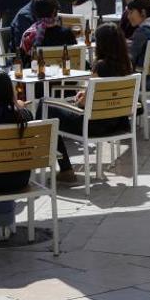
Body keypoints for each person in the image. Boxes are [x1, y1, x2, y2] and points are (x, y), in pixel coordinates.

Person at [42, 23, 133, 183]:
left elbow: (85, 104)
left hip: (94, 125)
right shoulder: (127, 65)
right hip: (117, 124)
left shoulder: (101, 66)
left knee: (45, 106)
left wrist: (78, 101)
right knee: (52, 109)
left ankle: (65, 169)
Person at [0, 72, 34, 240]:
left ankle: (3, 224)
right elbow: (17, 107)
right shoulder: (24, 117)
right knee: (2, 167)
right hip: (20, 178)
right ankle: (5, 223)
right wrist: (18, 104)